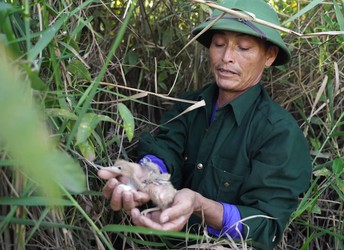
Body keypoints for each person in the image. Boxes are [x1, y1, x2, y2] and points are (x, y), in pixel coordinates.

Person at [98, 0, 312, 249]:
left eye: (243, 48)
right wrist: (145, 176)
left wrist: (201, 206)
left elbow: (266, 228)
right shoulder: (189, 105)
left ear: (269, 55)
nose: (227, 57)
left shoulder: (279, 133)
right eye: (219, 44)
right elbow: (167, 148)